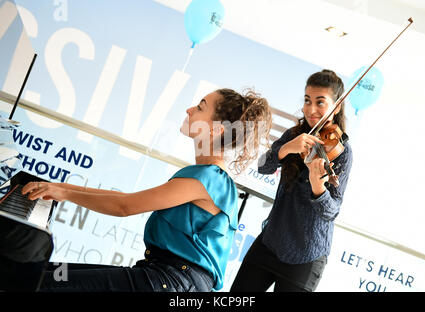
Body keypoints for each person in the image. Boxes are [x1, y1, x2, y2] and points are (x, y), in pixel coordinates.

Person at [22, 88, 272, 292]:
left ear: (217, 128)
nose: (189, 109)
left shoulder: (209, 178)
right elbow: (123, 199)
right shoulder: (209, 177)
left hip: (172, 283)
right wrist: (58, 188)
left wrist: (64, 194)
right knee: (44, 273)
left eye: (200, 107)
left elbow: (125, 207)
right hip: (166, 279)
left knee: (42, 282)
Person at [230, 69, 353, 292]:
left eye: (320, 102)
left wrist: (318, 188)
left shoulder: (342, 152)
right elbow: (263, 166)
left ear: (336, 106)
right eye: (307, 100)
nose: (311, 109)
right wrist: (287, 148)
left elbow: (332, 211)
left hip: (307, 255)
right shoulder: (295, 134)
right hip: (271, 241)